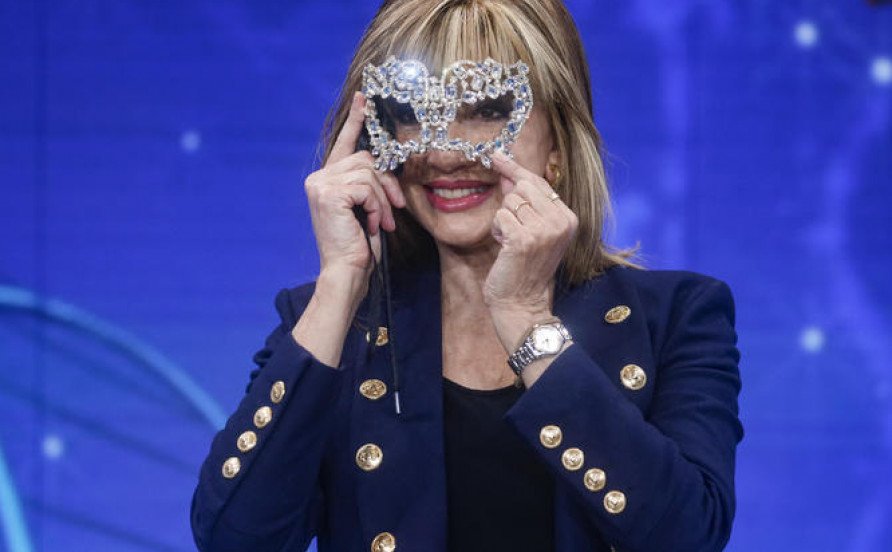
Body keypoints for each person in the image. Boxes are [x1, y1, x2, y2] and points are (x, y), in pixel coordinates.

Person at [190, 1, 743, 551]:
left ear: (557, 142)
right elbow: (234, 541)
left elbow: (686, 537)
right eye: (410, 111)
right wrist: (341, 281)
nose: (442, 153)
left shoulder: (677, 317)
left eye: (486, 110)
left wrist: (526, 319)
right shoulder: (329, 325)